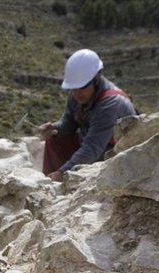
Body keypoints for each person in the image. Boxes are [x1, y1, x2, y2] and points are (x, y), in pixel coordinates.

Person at [40, 49, 137, 181]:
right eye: (73, 88)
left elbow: (92, 148)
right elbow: (69, 122)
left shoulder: (110, 104)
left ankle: (60, 182)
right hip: (90, 144)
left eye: (83, 86)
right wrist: (55, 129)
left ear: (96, 79)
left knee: (73, 164)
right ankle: (49, 182)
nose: (77, 93)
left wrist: (62, 172)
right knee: (54, 139)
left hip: (113, 154)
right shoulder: (77, 94)